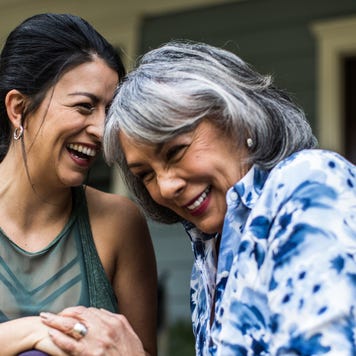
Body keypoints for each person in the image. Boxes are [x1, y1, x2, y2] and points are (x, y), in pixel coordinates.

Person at [103, 40, 356, 355]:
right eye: (146, 174)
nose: (165, 188)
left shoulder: (309, 185)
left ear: (238, 117)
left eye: (175, 150)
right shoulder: (210, 247)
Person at [0, 13, 157, 356]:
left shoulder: (120, 224)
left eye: (108, 112)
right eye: (84, 106)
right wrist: (34, 329)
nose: (101, 131)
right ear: (18, 107)